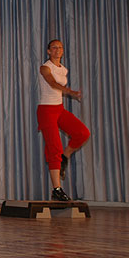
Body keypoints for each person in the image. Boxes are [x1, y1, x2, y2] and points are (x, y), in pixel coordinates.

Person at [37, 39, 90, 201]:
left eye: (60, 47)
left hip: (59, 109)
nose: (57, 50)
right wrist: (70, 92)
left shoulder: (63, 69)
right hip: (46, 111)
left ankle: (65, 157)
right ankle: (57, 189)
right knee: (54, 148)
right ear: (48, 51)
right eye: (54, 48)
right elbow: (52, 83)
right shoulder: (45, 67)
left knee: (82, 133)